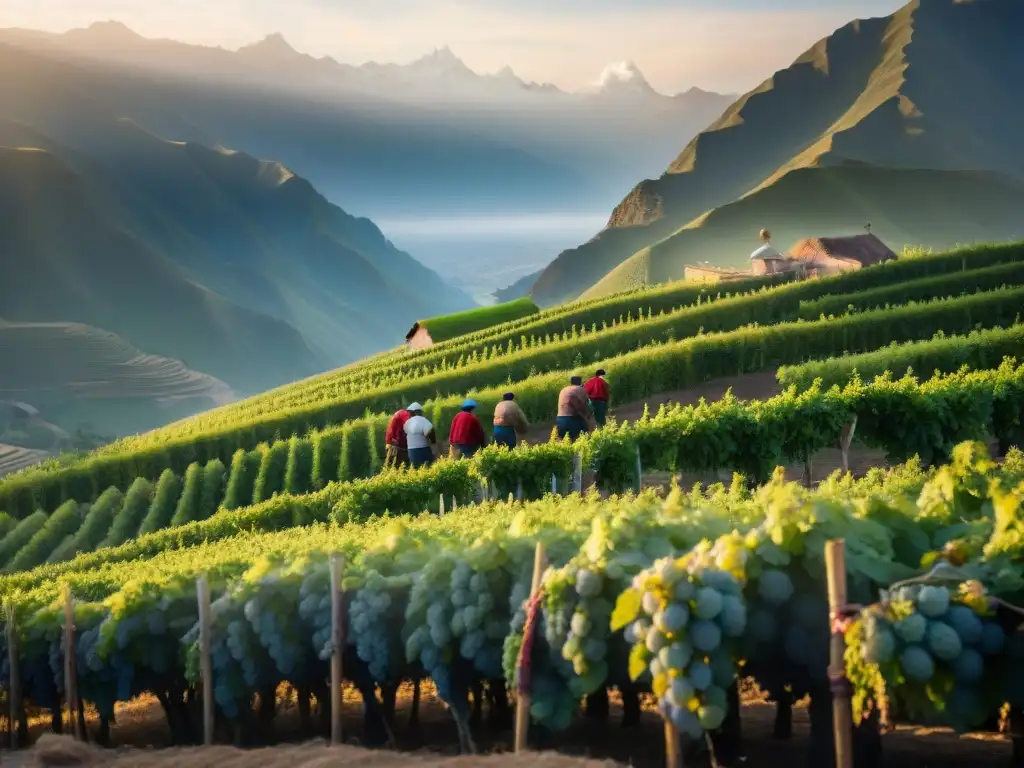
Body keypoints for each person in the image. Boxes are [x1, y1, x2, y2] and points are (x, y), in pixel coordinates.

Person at [556, 376, 597, 441]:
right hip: (573, 419)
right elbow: (585, 405)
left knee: (564, 442)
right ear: (580, 382)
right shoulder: (581, 389)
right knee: (584, 438)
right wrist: (588, 417)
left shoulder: (563, 389)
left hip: (560, 419)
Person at [403, 403, 437, 468]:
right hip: (423, 450)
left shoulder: (407, 423)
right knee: (429, 468)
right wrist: (433, 442)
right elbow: (430, 432)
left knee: (415, 469)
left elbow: (405, 433)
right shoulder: (423, 420)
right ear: (417, 411)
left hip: (411, 451)